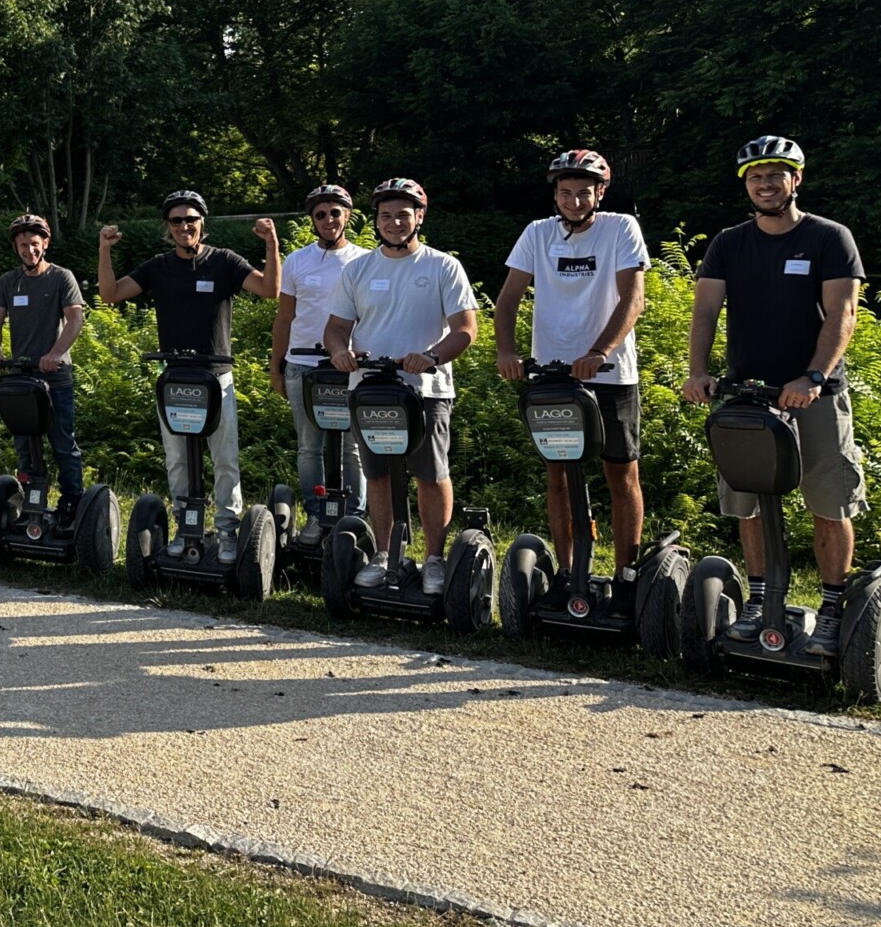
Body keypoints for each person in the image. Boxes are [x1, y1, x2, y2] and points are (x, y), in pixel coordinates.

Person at [682, 136, 866, 653]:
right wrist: (699, 372)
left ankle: (831, 608)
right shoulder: (729, 242)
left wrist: (812, 376)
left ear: (796, 180)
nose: (765, 184)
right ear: (746, 185)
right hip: (747, 393)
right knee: (751, 503)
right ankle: (762, 603)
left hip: (815, 393)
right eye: (756, 177)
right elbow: (705, 312)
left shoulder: (830, 237)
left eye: (775, 175)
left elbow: (842, 315)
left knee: (828, 502)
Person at [98, 192, 282, 563]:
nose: (185, 226)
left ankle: (227, 531)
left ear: (203, 223)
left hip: (216, 377)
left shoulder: (224, 262)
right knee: (178, 458)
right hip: (175, 378)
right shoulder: (159, 266)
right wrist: (105, 250)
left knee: (224, 457)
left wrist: (271, 244)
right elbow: (110, 294)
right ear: (168, 227)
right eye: (177, 220)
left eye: (191, 219)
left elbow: (269, 290)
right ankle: (187, 526)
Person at [495, 150, 650, 582]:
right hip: (552, 373)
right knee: (559, 473)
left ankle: (625, 574)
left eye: (584, 193)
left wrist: (600, 352)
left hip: (610, 373)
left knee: (621, 474)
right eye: (566, 193)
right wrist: (506, 352)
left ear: (600, 192)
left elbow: (632, 299)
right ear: (556, 194)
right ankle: (568, 570)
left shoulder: (621, 228)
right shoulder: (537, 233)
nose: (574, 201)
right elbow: (507, 301)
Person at [323, 179, 479, 595]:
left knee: (429, 474)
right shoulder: (358, 269)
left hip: (425, 390)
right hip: (370, 387)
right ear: (375, 220)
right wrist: (339, 353)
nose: (394, 222)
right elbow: (336, 328)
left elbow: (465, 329)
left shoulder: (442, 266)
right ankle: (386, 553)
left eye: (403, 215)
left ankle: (433, 559)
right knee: (378, 476)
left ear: (419, 218)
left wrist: (432, 356)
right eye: (386, 215)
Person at [267, 185, 369, 544]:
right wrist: (276, 365)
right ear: (312, 220)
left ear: (348, 216)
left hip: (349, 366)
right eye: (321, 215)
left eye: (335, 213)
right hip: (303, 364)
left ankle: (353, 520)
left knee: (353, 447)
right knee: (310, 447)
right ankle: (316, 515)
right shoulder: (297, 261)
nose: (329, 220)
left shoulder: (365, 260)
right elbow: (285, 318)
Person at [0, 213, 87, 519]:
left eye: (34, 243)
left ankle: (72, 502)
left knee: (62, 444)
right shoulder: (8, 282)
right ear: (16, 248)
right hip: (20, 376)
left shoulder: (61, 278)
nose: (29, 250)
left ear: (45, 244)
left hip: (55, 376)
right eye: (22, 245)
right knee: (24, 447)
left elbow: (75, 319)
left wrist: (56, 353)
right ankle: (31, 498)